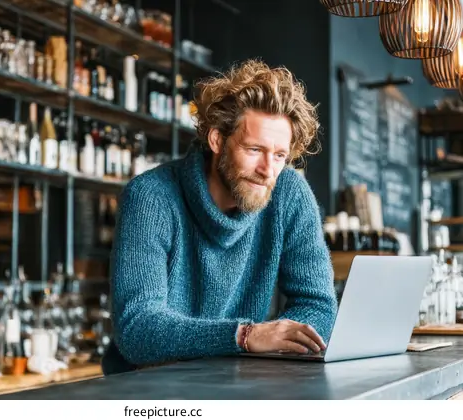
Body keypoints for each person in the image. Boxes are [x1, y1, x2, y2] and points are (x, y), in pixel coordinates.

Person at [101, 59, 338, 375]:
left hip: (237, 384)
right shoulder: (150, 197)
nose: (268, 170)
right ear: (217, 140)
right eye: (254, 150)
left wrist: (277, 343)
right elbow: (137, 329)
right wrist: (244, 336)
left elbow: (319, 305)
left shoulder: (289, 193)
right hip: (149, 389)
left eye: (280, 155)